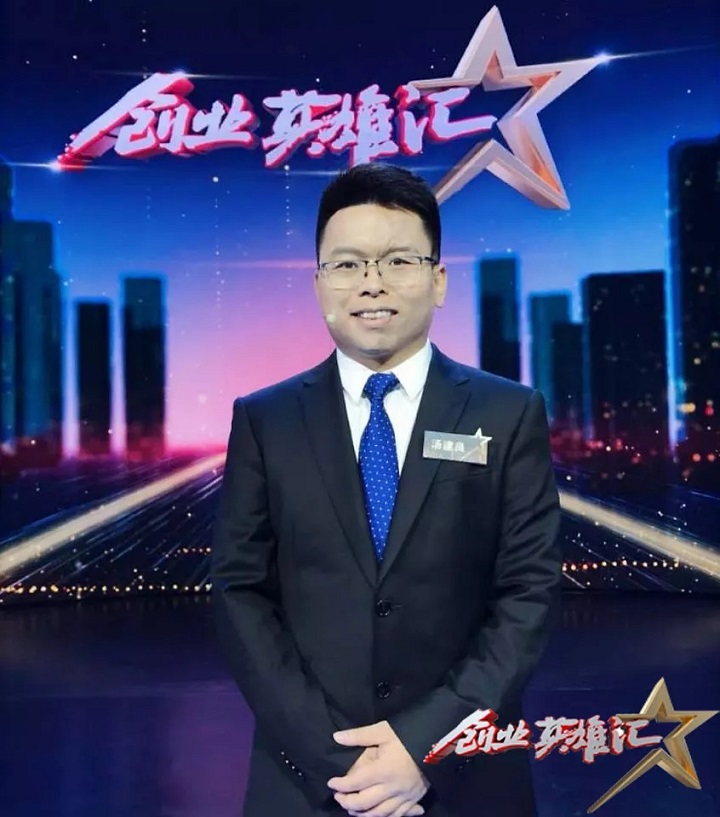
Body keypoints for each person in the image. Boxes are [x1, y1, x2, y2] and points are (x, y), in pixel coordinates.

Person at [210, 162, 562, 817]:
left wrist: (424, 746)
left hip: (467, 776)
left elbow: (528, 593)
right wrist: (338, 760)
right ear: (319, 283)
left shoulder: (508, 413)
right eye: (348, 264)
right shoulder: (265, 420)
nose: (372, 282)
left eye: (398, 260)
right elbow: (240, 593)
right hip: (307, 782)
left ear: (438, 280)